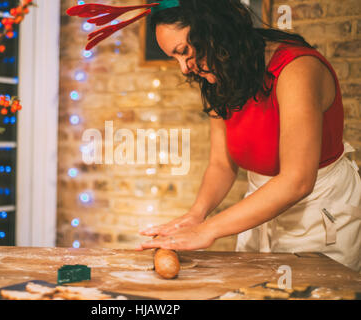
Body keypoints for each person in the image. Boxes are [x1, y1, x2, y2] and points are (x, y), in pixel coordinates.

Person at [134, 0, 361, 272]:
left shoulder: (296, 69)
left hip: (320, 214)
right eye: (175, 58)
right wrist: (197, 215)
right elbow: (222, 164)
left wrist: (210, 230)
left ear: (214, 28)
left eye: (184, 51)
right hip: (258, 213)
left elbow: (297, 181)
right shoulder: (220, 74)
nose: (184, 68)